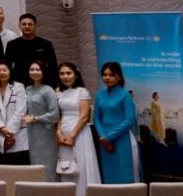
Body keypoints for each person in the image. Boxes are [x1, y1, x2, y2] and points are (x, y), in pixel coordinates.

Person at [56, 62, 101, 196]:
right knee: (66, 165)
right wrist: (58, 133)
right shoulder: (57, 91)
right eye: (62, 73)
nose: (65, 76)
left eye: (68, 73)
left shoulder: (82, 91)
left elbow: (84, 117)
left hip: (79, 132)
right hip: (63, 132)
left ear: (76, 75)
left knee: (81, 164)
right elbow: (57, 115)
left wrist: (72, 136)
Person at [95, 61, 139, 184]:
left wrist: (108, 137)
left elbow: (129, 120)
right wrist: (103, 137)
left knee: (125, 173)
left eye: (111, 75)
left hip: (122, 139)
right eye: (104, 75)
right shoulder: (99, 95)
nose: (107, 77)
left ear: (118, 77)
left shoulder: (125, 95)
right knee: (109, 173)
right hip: (104, 141)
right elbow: (96, 118)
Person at [0, 60, 29, 165]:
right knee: (4, 167)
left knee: (19, 166)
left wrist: (9, 131)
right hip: (0, 134)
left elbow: (21, 111)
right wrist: (1, 127)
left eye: (4, 70)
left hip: (17, 133)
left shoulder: (19, 86)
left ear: (10, 71)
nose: (2, 72)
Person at [23, 60, 59, 180]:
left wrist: (35, 118)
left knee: (48, 163)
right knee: (35, 163)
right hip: (31, 132)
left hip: (46, 132)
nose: (34, 72)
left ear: (43, 72)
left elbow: (54, 115)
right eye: (32, 69)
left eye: (38, 69)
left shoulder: (48, 90)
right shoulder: (28, 89)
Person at [4, 13, 58, 87]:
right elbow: (7, 66)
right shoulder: (12, 44)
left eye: (30, 24)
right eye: (24, 24)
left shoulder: (45, 44)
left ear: (35, 26)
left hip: (41, 83)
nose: (27, 26)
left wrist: (53, 85)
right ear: (19, 26)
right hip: (19, 84)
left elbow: (53, 66)